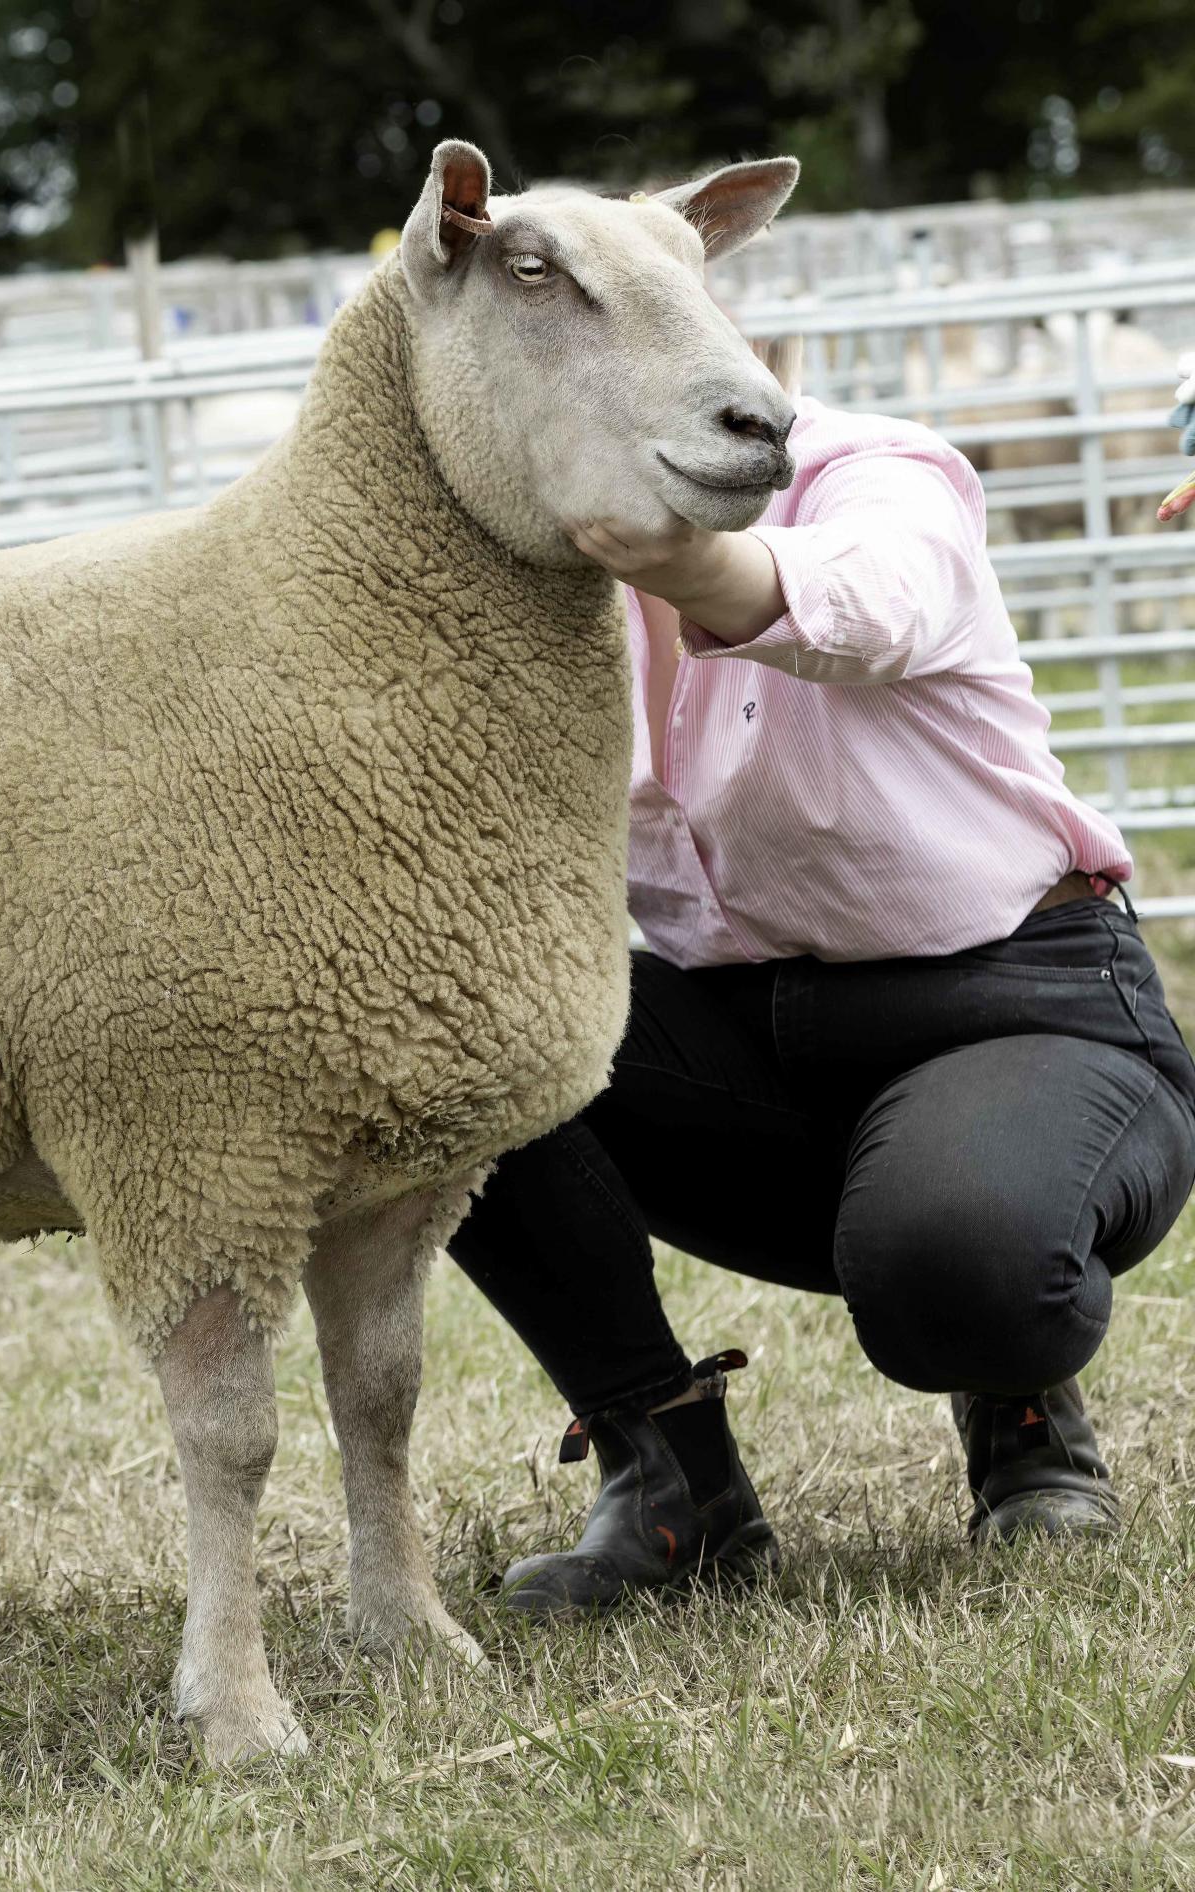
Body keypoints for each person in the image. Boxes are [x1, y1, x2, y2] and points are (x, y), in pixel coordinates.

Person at [446, 346, 1195, 1616]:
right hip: (740, 1034)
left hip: (1010, 998)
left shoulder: (880, 475)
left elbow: (871, 603)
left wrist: (674, 556)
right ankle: (670, 1471)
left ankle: (1017, 1395)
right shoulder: (518, 576)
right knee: (436, 1039)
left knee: (957, 1251)